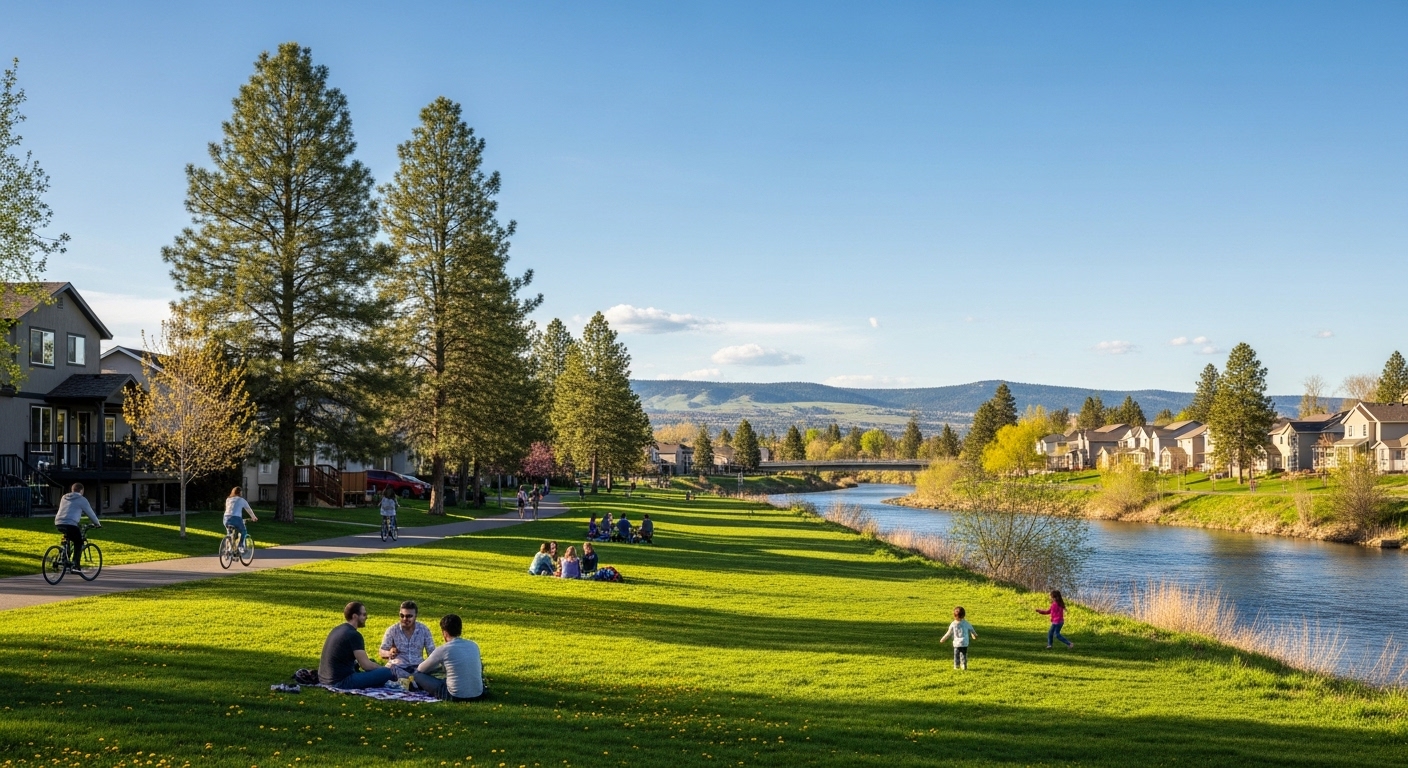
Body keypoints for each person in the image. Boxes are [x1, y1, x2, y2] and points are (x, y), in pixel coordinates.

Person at [318, 601, 394, 689]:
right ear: (355, 616)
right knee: (387, 672)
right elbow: (365, 665)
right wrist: (382, 669)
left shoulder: (337, 629)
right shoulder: (354, 635)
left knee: (372, 662)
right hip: (341, 682)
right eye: (364, 615)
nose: (366, 617)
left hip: (324, 679)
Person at [410, 614, 485, 701]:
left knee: (417, 675)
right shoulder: (473, 645)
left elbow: (421, 669)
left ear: (444, 632)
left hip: (454, 695)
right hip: (478, 694)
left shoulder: (444, 649)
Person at [378, 600, 436, 680]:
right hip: (397, 667)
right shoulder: (392, 630)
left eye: (409, 616)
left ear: (415, 616)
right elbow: (382, 651)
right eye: (402, 616)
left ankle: (412, 682)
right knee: (389, 671)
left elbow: (432, 653)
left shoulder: (424, 630)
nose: (405, 619)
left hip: (417, 668)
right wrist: (389, 653)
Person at [54, 483, 101, 559]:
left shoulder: (64, 497)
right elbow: (90, 513)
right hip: (70, 524)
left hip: (58, 522)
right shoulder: (82, 499)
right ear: (81, 490)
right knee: (78, 542)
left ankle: (64, 558)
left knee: (69, 537)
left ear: (72, 490)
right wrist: (97, 523)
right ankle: (76, 565)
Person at [222, 486, 258, 551]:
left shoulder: (228, 499)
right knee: (243, 531)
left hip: (226, 518)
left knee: (230, 533)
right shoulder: (242, 500)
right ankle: (240, 546)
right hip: (236, 518)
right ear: (240, 493)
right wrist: (254, 517)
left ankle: (229, 548)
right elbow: (248, 509)